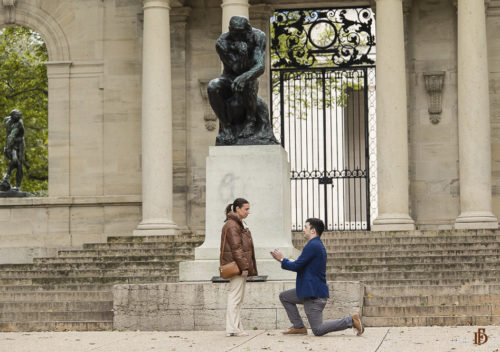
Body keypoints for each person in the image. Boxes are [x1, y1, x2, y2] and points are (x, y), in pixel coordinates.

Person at [270, 218, 364, 336]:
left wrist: (282, 259)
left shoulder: (313, 245)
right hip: (308, 291)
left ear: (313, 230)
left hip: (314, 295)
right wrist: (283, 260)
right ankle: (298, 326)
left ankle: (350, 320)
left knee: (318, 330)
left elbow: (297, 266)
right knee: (285, 296)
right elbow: (300, 265)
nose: (303, 230)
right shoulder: (315, 245)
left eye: (306, 227)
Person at [207, 16, 277, 145]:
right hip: (228, 79)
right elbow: (235, 68)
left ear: (248, 29)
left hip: (249, 78)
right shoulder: (222, 42)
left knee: (249, 80)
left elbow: (260, 67)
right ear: (230, 30)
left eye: (241, 33)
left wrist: (245, 76)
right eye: (235, 33)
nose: (238, 36)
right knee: (212, 86)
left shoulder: (258, 36)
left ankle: (250, 121)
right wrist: (243, 55)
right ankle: (226, 128)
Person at [220, 198, 258, 337]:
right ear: (237, 208)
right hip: (237, 266)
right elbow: (237, 249)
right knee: (235, 297)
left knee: (237, 298)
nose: (248, 211)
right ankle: (232, 328)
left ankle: (236, 327)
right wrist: (245, 267)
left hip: (239, 266)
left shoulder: (237, 223)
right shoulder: (232, 225)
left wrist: (248, 268)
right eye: (246, 209)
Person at [2, 109, 25, 190]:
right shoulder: (7, 120)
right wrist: (7, 146)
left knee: (19, 164)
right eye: (17, 116)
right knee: (14, 160)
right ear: (13, 116)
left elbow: (12, 135)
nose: (19, 117)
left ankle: (18, 186)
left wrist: (7, 147)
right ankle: (7, 176)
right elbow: (9, 135)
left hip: (20, 144)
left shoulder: (19, 123)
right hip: (11, 143)